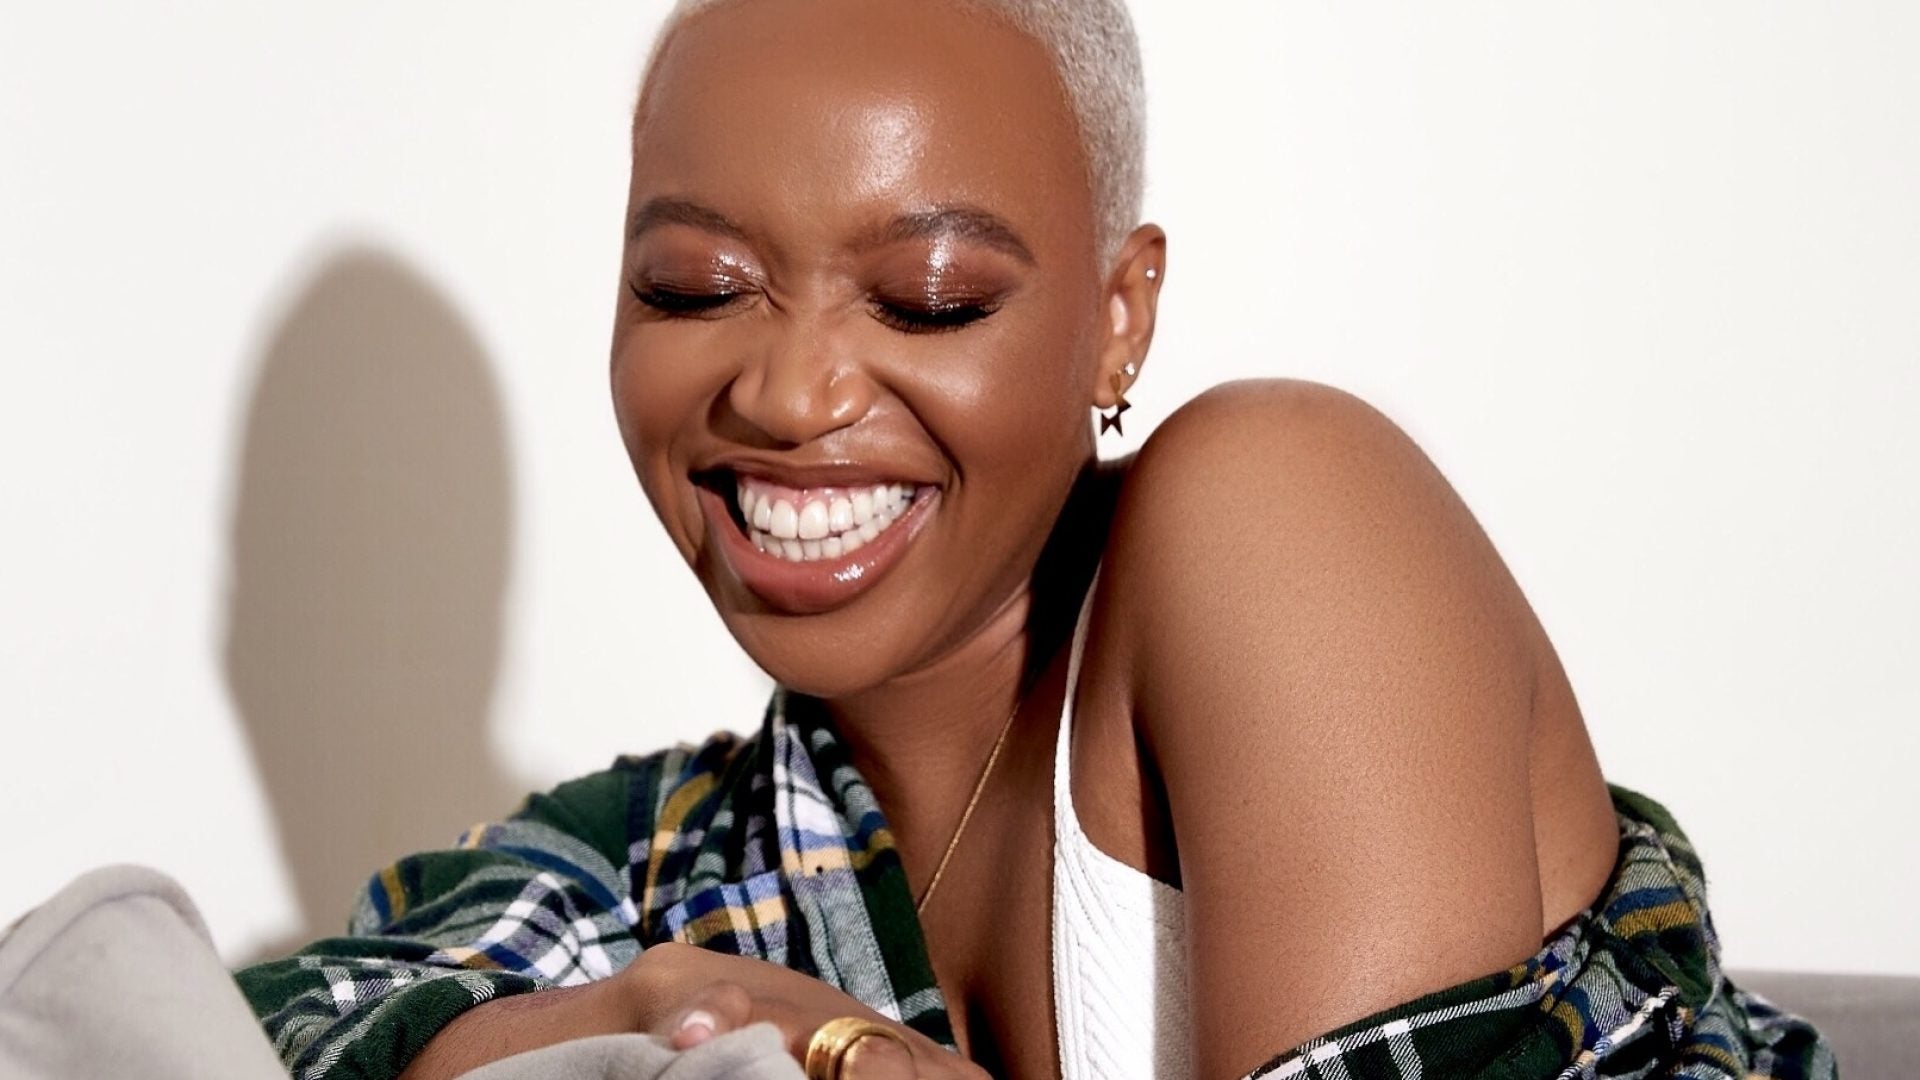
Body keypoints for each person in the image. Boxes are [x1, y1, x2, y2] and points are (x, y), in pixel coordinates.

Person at [236, 0, 1834, 1077]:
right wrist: (644, 1005)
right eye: (696, 286)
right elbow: (222, 1020)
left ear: (1119, 317)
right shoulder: (687, 859)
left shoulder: (1273, 514)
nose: (787, 392)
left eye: (927, 298)